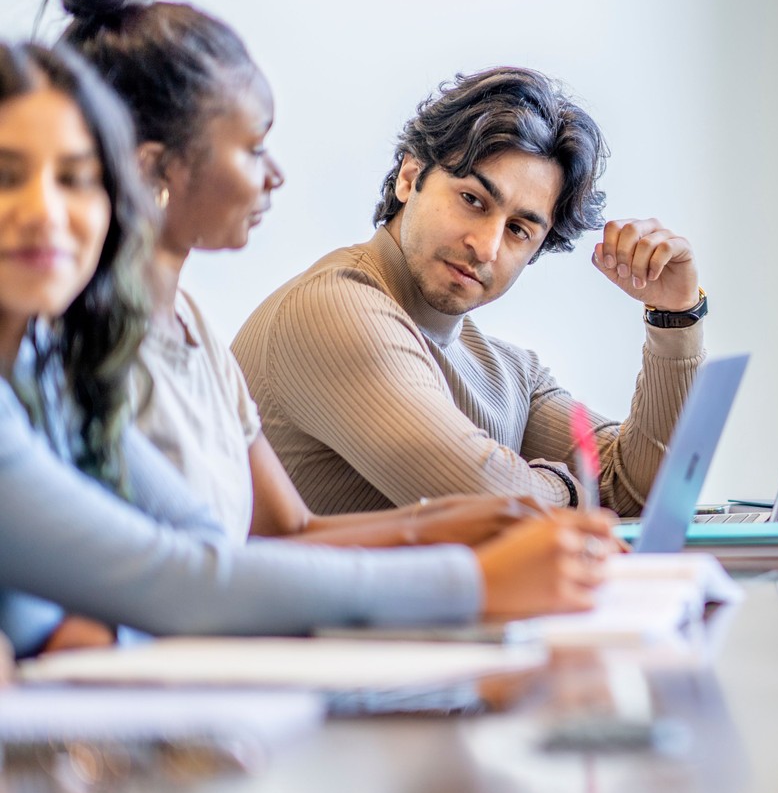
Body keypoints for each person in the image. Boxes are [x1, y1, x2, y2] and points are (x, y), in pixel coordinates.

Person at [0, 40, 606, 657]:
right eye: (6, 176)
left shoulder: (44, 366)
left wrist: (675, 316)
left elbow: (209, 550)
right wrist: (474, 579)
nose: (46, 213)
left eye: (76, 179)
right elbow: (183, 581)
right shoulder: (335, 305)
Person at [55, 0, 555, 550]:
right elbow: (204, 568)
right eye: (252, 148)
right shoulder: (86, 348)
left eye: (522, 228)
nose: (274, 175)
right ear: (157, 169)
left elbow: (289, 531)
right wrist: (474, 566)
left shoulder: (192, 327)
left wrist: (478, 526)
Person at [233, 66, 708, 515]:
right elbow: (487, 500)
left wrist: (673, 314)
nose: (486, 247)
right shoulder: (332, 307)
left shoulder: (509, 373)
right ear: (410, 176)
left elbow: (644, 493)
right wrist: (574, 490)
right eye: (472, 200)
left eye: (519, 230)